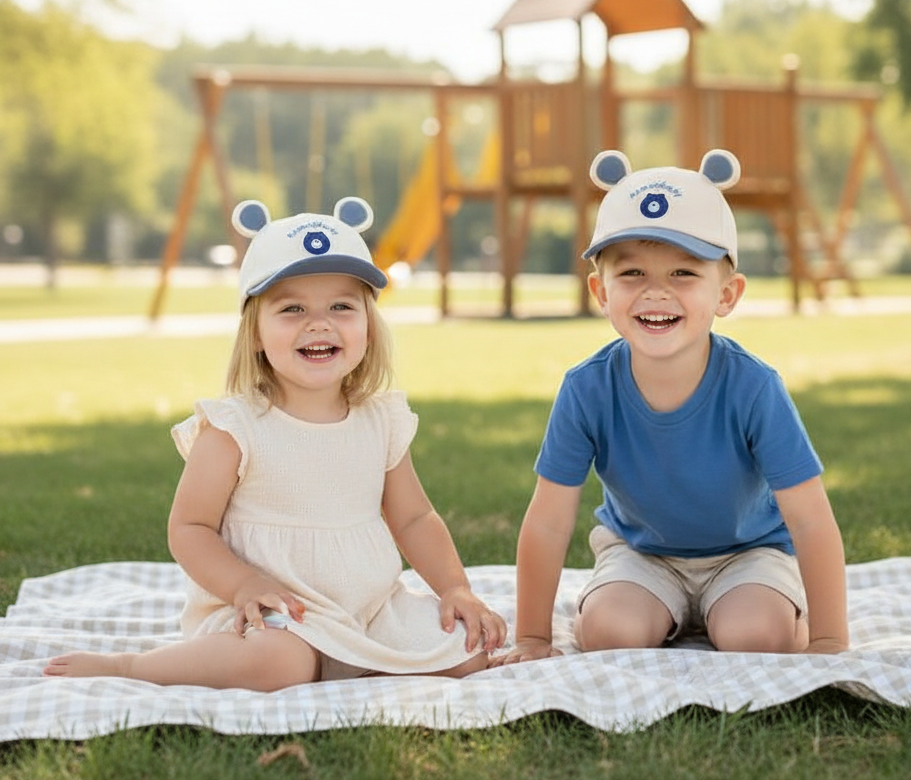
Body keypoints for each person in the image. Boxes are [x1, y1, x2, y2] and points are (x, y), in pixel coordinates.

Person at [46, 197, 505, 689]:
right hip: (273, 612)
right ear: (257, 333)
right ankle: (133, 667)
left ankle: (356, 659)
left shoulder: (381, 419)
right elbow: (190, 527)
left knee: (467, 652)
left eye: (341, 307)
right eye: (292, 309)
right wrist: (244, 585)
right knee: (279, 663)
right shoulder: (234, 427)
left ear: (368, 324)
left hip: (370, 609)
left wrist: (456, 588)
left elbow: (414, 518)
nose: (319, 322)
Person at [495, 149, 848, 665]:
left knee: (756, 638)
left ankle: (782, 617)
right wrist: (530, 637)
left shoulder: (754, 387)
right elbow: (549, 519)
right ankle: (649, 612)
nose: (656, 292)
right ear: (601, 290)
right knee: (610, 633)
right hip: (643, 555)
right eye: (632, 273)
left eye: (684, 273)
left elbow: (811, 519)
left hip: (747, 554)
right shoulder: (586, 389)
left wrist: (829, 642)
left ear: (726, 294)